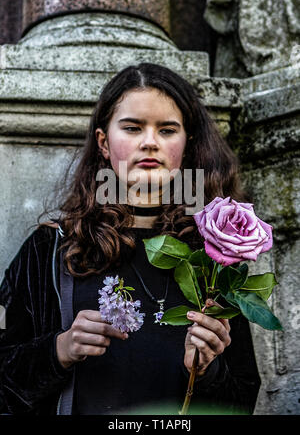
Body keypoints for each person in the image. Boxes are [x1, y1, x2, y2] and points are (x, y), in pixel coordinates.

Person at [0, 63, 261, 415]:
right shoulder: (53, 248)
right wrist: (59, 350)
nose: (150, 142)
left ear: (187, 145)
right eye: (133, 128)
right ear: (104, 143)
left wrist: (209, 370)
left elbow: (243, 400)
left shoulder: (214, 256)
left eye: (167, 130)